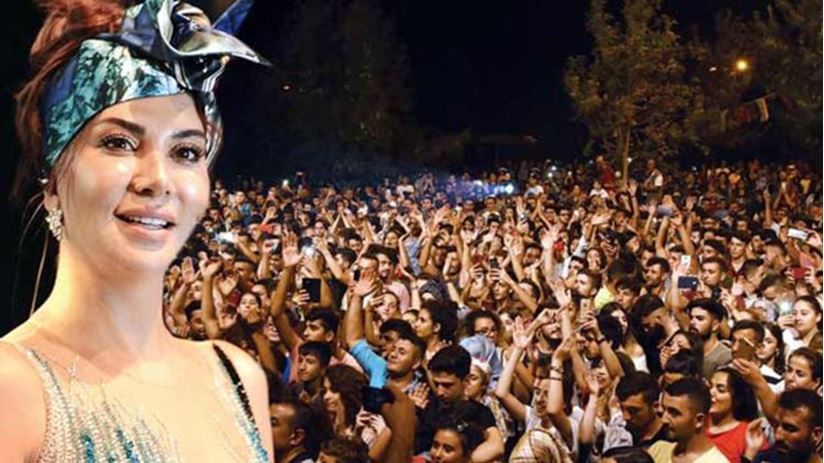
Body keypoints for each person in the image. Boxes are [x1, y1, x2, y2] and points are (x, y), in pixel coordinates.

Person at [1, 0, 272, 461]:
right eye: (119, 142)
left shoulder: (238, 379)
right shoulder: (13, 389)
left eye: (186, 152)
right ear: (53, 182)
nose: (158, 180)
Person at [648, 377, 727, 463]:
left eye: (674, 413)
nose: (664, 420)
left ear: (699, 420)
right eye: (664, 410)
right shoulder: (657, 450)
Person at [744, 389, 822, 463]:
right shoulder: (763, 459)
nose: (778, 436)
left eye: (789, 428)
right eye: (775, 425)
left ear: (816, 434)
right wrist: (749, 455)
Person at [614, 372, 670, 449]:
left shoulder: (669, 440)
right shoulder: (620, 432)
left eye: (633, 411)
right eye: (622, 409)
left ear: (655, 406)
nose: (626, 417)